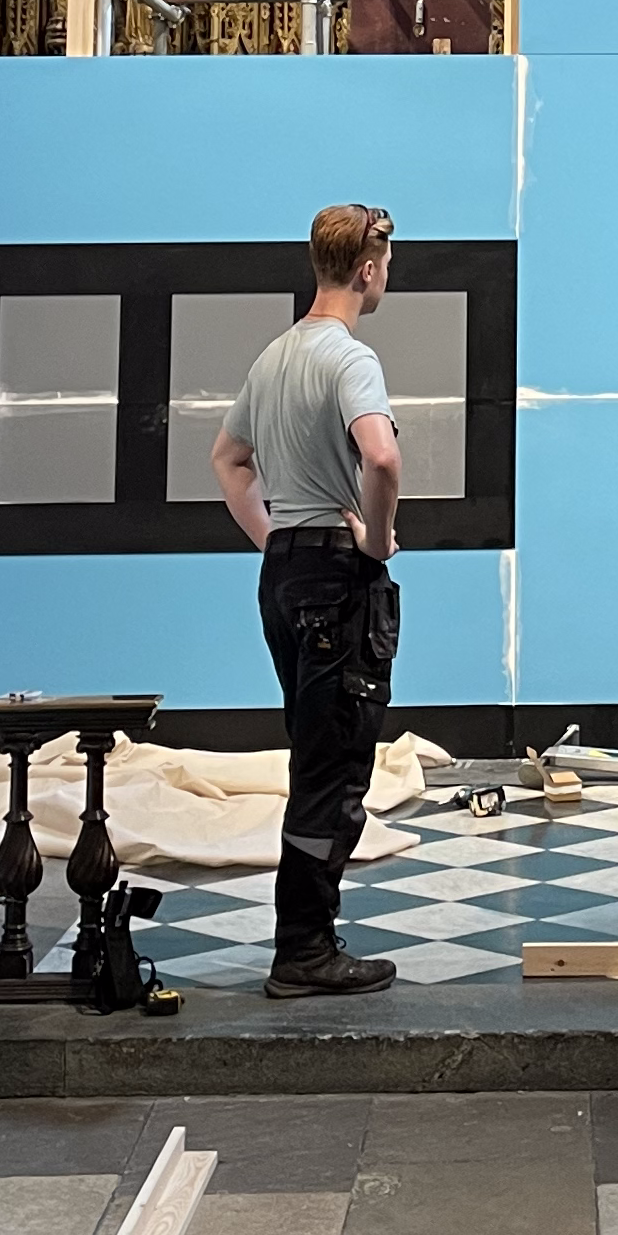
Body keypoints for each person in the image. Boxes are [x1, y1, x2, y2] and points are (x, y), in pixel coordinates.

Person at [212, 202, 406, 997]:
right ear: (366, 270)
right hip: (335, 575)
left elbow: (228, 461)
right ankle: (303, 952)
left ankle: (309, 936)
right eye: (387, 263)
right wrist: (374, 541)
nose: (387, 275)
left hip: (286, 574)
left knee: (312, 752)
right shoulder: (349, 360)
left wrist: (276, 540)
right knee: (334, 768)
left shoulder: (273, 357)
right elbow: (382, 459)